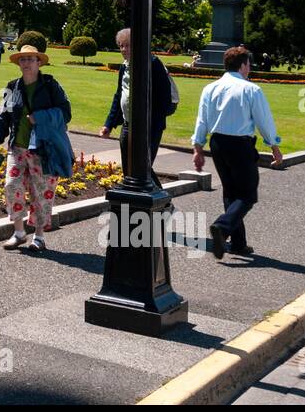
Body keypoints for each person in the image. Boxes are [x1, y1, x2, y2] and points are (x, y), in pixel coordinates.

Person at [191, 46, 283, 261]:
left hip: (217, 143)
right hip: (240, 144)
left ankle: (238, 244)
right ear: (242, 65)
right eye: (248, 64)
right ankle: (222, 228)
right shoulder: (251, 89)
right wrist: (274, 146)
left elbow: (202, 119)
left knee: (231, 192)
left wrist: (198, 147)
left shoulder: (210, 88)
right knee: (248, 194)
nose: (249, 68)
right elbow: (264, 121)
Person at [0, 40, 73, 252]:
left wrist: (40, 117)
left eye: (31, 59)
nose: (26, 63)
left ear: (38, 63)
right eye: (23, 59)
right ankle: (19, 232)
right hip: (17, 147)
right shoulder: (11, 87)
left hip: (44, 149)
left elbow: (66, 113)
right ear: (19, 63)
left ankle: (39, 237)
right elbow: (3, 117)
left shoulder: (51, 86)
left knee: (42, 193)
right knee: (11, 186)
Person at [98, 27, 178, 190]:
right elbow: (119, 96)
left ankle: (162, 201)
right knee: (128, 169)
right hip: (128, 125)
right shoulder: (124, 67)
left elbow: (164, 99)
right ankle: (137, 203)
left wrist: (147, 122)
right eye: (121, 45)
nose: (123, 49)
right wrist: (108, 124)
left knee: (143, 168)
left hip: (149, 127)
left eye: (127, 45)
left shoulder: (153, 64)